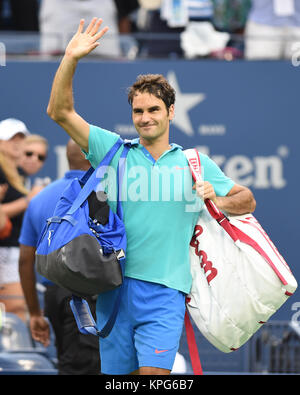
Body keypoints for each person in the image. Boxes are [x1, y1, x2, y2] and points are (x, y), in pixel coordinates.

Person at [46, 17, 256, 375]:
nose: (145, 118)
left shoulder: (195, 162)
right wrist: (71, 59)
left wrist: (216, 200)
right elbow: (59, 111)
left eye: (153, 109)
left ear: (170, 112)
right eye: (138, 111)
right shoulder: (114, 150)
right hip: (113, 291)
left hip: (165, 294)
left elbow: (246, 200)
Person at [18, 139, 101, 375]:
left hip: (55, 297)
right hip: (88, 295)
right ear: (93, 157)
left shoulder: (40, 198)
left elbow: (26, 260)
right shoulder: (104, 194)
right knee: (87, 369)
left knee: (70, 364)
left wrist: (35, 313)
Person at [0, 118, 43, 321]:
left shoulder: (16, 173)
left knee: (15, 311)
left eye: (21, 138)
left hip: (12, 251)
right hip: (5, 252)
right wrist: (29, 200)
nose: (17, 143)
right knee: (16, 308)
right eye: (11, 139)